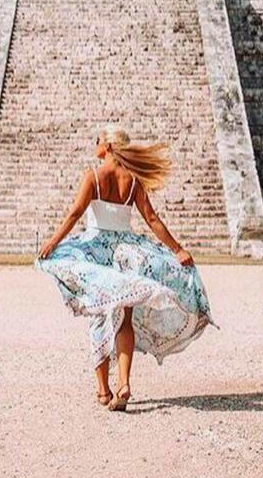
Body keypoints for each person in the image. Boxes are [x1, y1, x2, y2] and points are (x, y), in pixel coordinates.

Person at [35, 124, 218, 412]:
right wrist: (177, 249)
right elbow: (153, 220)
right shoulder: (133, 181)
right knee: (124, 320)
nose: (94, 144)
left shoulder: (94, 177)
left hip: (97, 252)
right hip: (128, 253)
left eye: (97, 141)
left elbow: (74, 214)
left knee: (98, 315)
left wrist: (52, 243)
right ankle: (123, 383)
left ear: (106, 146)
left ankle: (103, 391)